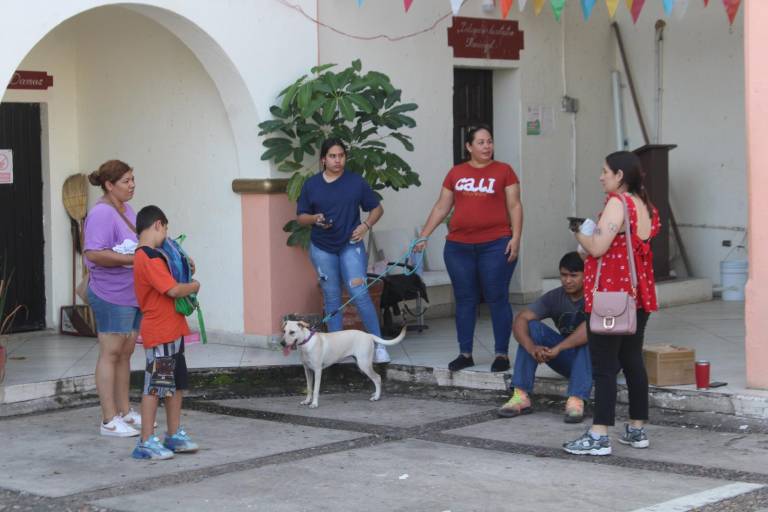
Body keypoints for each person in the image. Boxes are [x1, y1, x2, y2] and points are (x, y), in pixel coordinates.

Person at [563, 151, 660, 456]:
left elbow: (598, 247)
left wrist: (579, 231)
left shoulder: (618, 204)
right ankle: (636, 428)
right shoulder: (644, 204)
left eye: (605, 171)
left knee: (604, 366)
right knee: (632, 361)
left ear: (619, 175)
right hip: (637, 296)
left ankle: (599, 434)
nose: (601, 176)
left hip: (611, 298)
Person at [415, 125, 523, 372]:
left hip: (495, 244)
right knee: (465, 299)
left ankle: (501, 354)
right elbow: (442, 207)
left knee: (497, 297)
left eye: (490, 142)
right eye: (482, 142)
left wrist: (515, 238)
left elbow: (515, 205)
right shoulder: (456, 173)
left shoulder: (504, 171)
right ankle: (465, 353)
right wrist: (423, 236)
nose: (487, 146)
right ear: (469, 146)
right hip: (459, 247)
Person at [296, 138, 389, 363]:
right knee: (331, 297)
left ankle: (378, 347)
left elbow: (377, 209)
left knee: (359, 293)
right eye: (332, 156)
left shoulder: (355, 182)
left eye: (341, 156)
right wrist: (315, 218)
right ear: (323, 160)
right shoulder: (312, 185)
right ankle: (335, 352)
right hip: (322, 247)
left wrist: (365, 226)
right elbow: (301, 217)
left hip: (351, 245)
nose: (338, 161)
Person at [131, 205, 200, 460]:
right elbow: (171, 290)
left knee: (175, 384)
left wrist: (186, 267)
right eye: (166, 228)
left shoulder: (156, 255)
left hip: (172, 331)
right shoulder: (146, 257)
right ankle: (146, 441)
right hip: (160, 333)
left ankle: (173, 434)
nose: (166, 234)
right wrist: (194, 286)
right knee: (156, 386)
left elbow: (173, 280)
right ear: (158, 224)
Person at [84, 160, 142, 437]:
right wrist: (131, 259)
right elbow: (93, 253)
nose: (132, 185)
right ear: (109, 185)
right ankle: (109, 419)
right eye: (126, 181)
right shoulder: (101, 214)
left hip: (131, 293)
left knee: (125, 352)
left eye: (132, 180)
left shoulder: (126, 209)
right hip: (111, 294)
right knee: (111, 352)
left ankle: (125, 411)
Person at [497, 252, 591, 423]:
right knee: (531, 327)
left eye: (574, 275)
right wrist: (531, 347)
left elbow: (590, 328)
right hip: (570, 360)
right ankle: (521, 396)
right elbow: (521, 319)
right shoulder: (555, 296)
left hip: (600, 362)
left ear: (587, 274)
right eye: (564, 275)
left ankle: (577, 399)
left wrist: (558, 348)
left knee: (592, 337)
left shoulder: (596, 293)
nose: (568, 280)